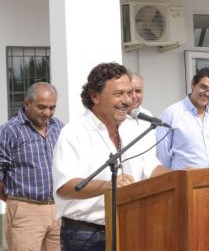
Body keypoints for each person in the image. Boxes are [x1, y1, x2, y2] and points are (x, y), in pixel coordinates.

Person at [52, 62, 168, 251]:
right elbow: (65, 187)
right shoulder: (74, 132)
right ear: (95, 96)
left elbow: (151, 167)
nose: (128, 100)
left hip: (131, 227)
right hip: (86, 235)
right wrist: (108, 186)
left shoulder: (134, 128)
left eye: (130, 93)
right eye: (118, 94)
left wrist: (180, 177)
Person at [0, 82, 63, 251]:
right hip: (25, 210)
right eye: (42, 107)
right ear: (26, 103)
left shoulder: (59, 127)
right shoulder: (9, 131)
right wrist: (14, 201)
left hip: (58, 209)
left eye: (52, 108)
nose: (47, 113)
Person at [157, 67, 209, 169]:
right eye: (203, 87)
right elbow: (162, 154)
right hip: (185, 181)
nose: (207, 93)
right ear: (193, 84)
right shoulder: (171, 113)